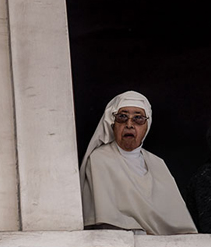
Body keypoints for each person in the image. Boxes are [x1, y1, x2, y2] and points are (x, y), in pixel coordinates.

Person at [79, 90, 197, 235]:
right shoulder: (99, 159)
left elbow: (178, 225)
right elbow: (106, 221)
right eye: (122, 117)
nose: (129, 124)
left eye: (138, 118)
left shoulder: (158, 164)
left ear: (147, 125)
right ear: (112, 123)